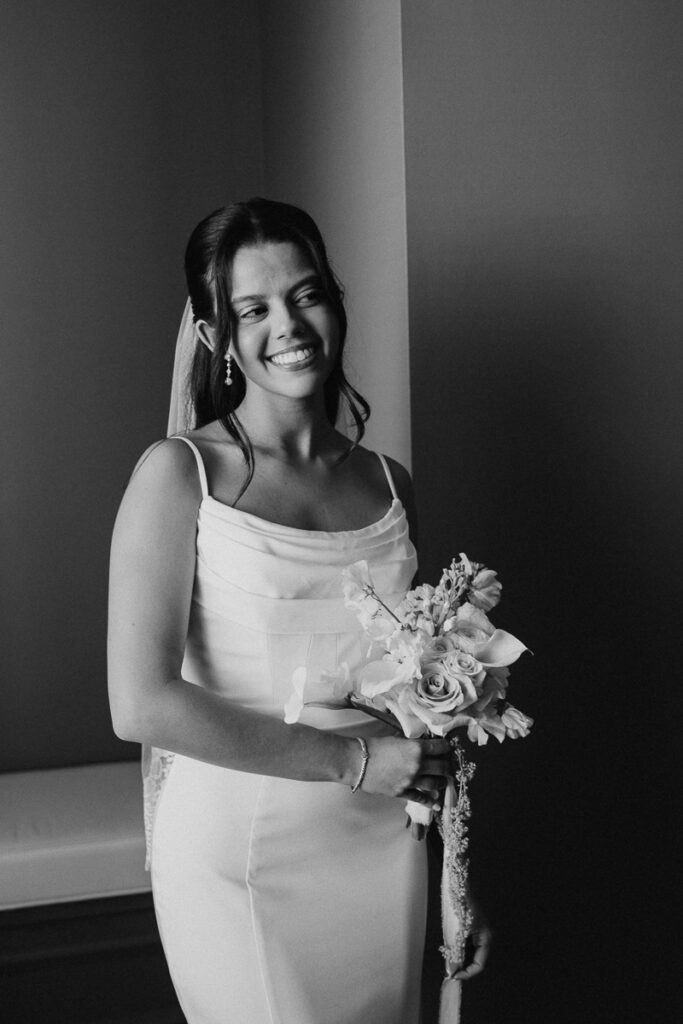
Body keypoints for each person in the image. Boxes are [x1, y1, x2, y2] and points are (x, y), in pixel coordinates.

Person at [107, 199, 483, 1024]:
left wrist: (457, 880)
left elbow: (422, 697)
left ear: (334, 304)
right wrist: (351, 763)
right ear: (214, 334)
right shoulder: (178, 477)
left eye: (306, 294)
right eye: (253, 309)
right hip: (242, 851)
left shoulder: (388, 483)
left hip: (384, 847)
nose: (289, 325)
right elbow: (140, 705)